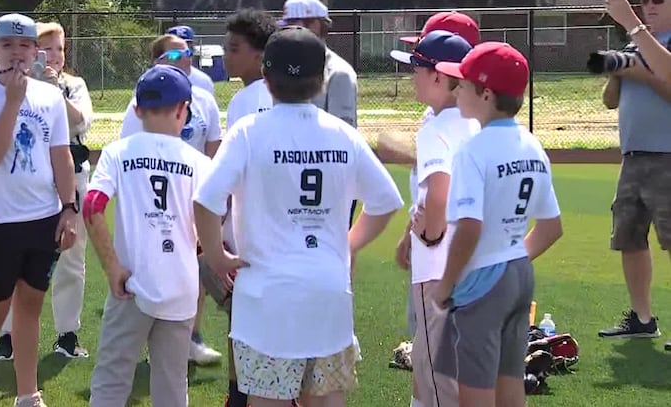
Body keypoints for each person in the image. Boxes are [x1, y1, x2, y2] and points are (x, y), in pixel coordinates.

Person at [194, 26, 405, 407]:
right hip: (328, 292)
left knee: (267, 400)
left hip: (266, 297)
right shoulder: (342, 134)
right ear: (322, 80)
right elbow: (386, 201)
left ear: (265, 75)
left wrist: (216, 255)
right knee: (326, 400)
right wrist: (349, 243)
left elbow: (206, 200)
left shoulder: (248, 132)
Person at [0, 13, 78, 407]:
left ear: (35, 51)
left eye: (25, 45)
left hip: (43, 219)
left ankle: (28, 394)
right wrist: (12, 101)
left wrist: (69, 207)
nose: (17, 54)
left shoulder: (50, 97)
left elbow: (60, 155)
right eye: (7, 45)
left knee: (30, 308)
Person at [431, 42, 564, 407]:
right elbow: (552, 227)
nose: (456, 91)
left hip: (483, 283)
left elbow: (469, 227)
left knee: (474, 389)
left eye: (463, 84)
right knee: (510, 382)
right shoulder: (532, 145)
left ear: (486, 94)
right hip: (519, 273)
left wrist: (445, 285)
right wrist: (510, 258)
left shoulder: (473, 150)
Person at [84, 64, 210, 407]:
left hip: (132, 285)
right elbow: (212, 218)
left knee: (112, 381)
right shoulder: (199, 162)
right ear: (184, 110)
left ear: (138, 110)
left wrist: (112, 266)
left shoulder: (117, 152)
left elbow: (92, 206)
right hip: (181, 285)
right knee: (172, 386)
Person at [0, 21, 95, 362]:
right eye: (47, 49)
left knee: (71, 257)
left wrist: (56, 92)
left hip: (70, 175)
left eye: (60, 49)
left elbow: (81, 121)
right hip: (27, 179)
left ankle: (67, 333)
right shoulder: (14, 86)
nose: (55, 56)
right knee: (14, 257)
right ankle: (7, 335)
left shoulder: (73, 85)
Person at [120, 33, 223, 365]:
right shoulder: (140, 106)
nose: (186, 58)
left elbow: (214, 151)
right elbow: (131, 157)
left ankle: (191, 336)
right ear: (158, 62)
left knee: (194, 271)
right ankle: (147, 338)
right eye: (176, 55)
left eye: (188, 52)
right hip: (157, 201)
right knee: (154, 267)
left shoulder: (204, 99)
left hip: (193, 199)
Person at [388, 30, 478, 407]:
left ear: (439, 76)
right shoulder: (475, 122)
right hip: (473, 262)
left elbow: (438, 193)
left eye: (418, 69)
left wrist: (427, 235)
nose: (413, 77)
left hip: (438, 267)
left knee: (436, 375)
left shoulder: (436, 129)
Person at [598, 0, 671, 346]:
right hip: (633, 158)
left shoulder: (649, 42)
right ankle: (642, 319)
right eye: (644, 2)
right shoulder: (636, 43)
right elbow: (609, 101)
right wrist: (619, 71)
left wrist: (634, 30)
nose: (649, 8)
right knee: (629, 237)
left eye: (658, 0)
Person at [217, 8, 277, 407]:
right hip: (282, 228)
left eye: (234, 48)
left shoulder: (244, 100)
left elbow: (230, 172)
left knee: (241, 323)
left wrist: (218, 228)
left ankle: (241, 395)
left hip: (246, 231)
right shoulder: (284, 95)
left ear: (259, 55)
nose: (226, 55)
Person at [276, 0, 358, 127]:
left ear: (315, 25)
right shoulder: (279, 68)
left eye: (292, 25)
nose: (285, 33)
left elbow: (342, 130)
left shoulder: (339, 73)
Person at [605, 0, 671, 85]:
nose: (650, 5)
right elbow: (612, 96)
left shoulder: (638, 34)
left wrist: (631, 22)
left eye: (658, 0)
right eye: (645, 1)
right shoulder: (634, 44)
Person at [166, 25, 216, 95]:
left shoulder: (203, 81)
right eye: (176, 51)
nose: (182, 56)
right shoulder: (153, 79)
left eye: (187, 51)